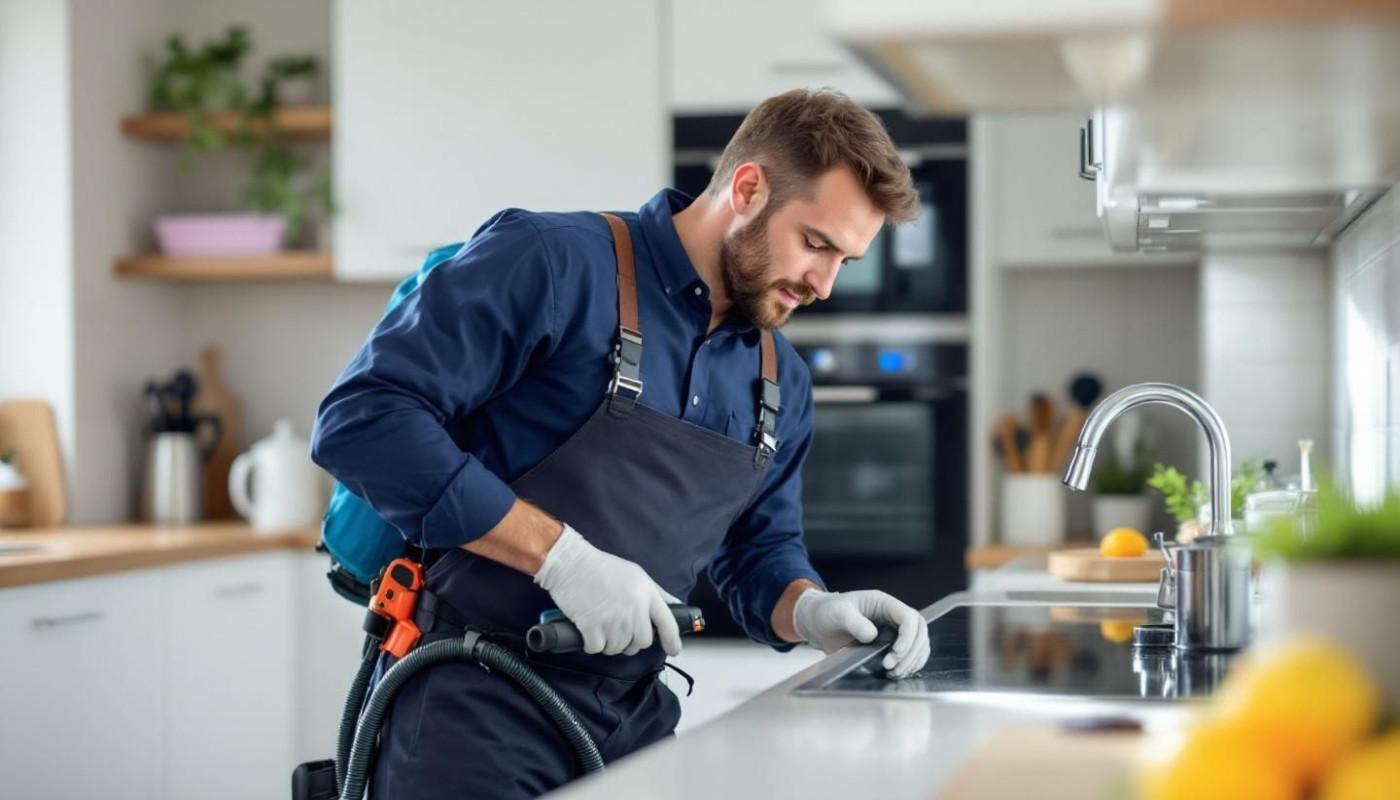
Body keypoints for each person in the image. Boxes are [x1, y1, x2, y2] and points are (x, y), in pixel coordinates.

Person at [311, 88, 933, 799]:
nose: (824, 284)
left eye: (845, 262)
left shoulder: (780, 380)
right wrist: (562, 559)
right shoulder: (551, 263)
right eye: (816, 243)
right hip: (469, 706)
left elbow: (759, 553)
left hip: (633, 728)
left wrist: (812, 609)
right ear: (749, 188)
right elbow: (363, 418)